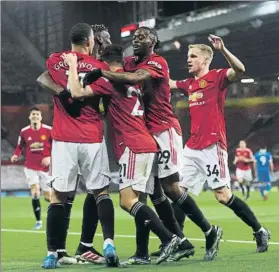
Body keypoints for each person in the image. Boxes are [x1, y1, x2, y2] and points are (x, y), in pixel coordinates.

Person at [83, 27, 221, 262]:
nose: (136, 40)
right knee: (149, 193)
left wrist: (101, 73)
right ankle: (148, 251)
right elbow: (113, 61)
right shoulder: (130, 61)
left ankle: (208, 232)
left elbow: (132, 78)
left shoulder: (157, 62)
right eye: (134, 37)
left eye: (142, 37)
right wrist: (103, 42)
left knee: (170, 188)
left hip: (164, 129)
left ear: (153, 42)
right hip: (146, 131)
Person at [63, 43, 186, 265]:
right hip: (148, 144)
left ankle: (169, 239)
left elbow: (77, 92)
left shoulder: (108, 80)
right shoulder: (131, 78)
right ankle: (144, 252)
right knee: (140, 201)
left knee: (127, 201)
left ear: (103, 60)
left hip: (132, 145)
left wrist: (73, 66)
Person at [169, 34, 270, 253]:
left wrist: (223, 50)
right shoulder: (189, 84)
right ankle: (180, 242)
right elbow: (167, 83)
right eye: (188, 56)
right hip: (192, 147)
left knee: (223, 196)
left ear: (205, 60)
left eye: (193, 56)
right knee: (179, 194)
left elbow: (240, 69)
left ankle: (259, 230)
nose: (189, 60)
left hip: (212, 145)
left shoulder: (217, 77)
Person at [39, 23, 118, 269]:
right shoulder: (101, 69)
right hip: (91, 138)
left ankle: (52, 253)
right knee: (101, 192)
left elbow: (44, 77)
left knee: (58, 197)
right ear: (90, 41)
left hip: (63, 139)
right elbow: (81, 92)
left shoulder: (55, 59)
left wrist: (61, 90)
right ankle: (108, 243)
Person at [11, 106, 51, 230]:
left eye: (37, 114)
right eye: (33, 114)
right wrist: (16, 155)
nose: (35, 116)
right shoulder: (24, 132)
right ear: (29, 117)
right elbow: (19, 146)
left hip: (45, 168)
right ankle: (39, 221)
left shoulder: (49, 130)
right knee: (35, 192)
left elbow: (58, 146)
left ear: (41, 117)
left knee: (48, 197)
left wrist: (50, 158)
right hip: (30, 166)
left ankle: (57, 216)